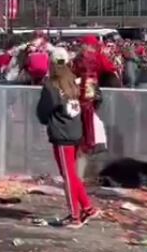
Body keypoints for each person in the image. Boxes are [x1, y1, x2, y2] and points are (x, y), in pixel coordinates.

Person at [36, 59, 100, 227]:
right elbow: (94, 98)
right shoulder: (74, 83)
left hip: (62, 135)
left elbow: (42, 113)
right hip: (75, 133)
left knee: (68, 177)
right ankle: (87, 207)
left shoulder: (52, 87)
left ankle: (75, 215)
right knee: (71, 174)